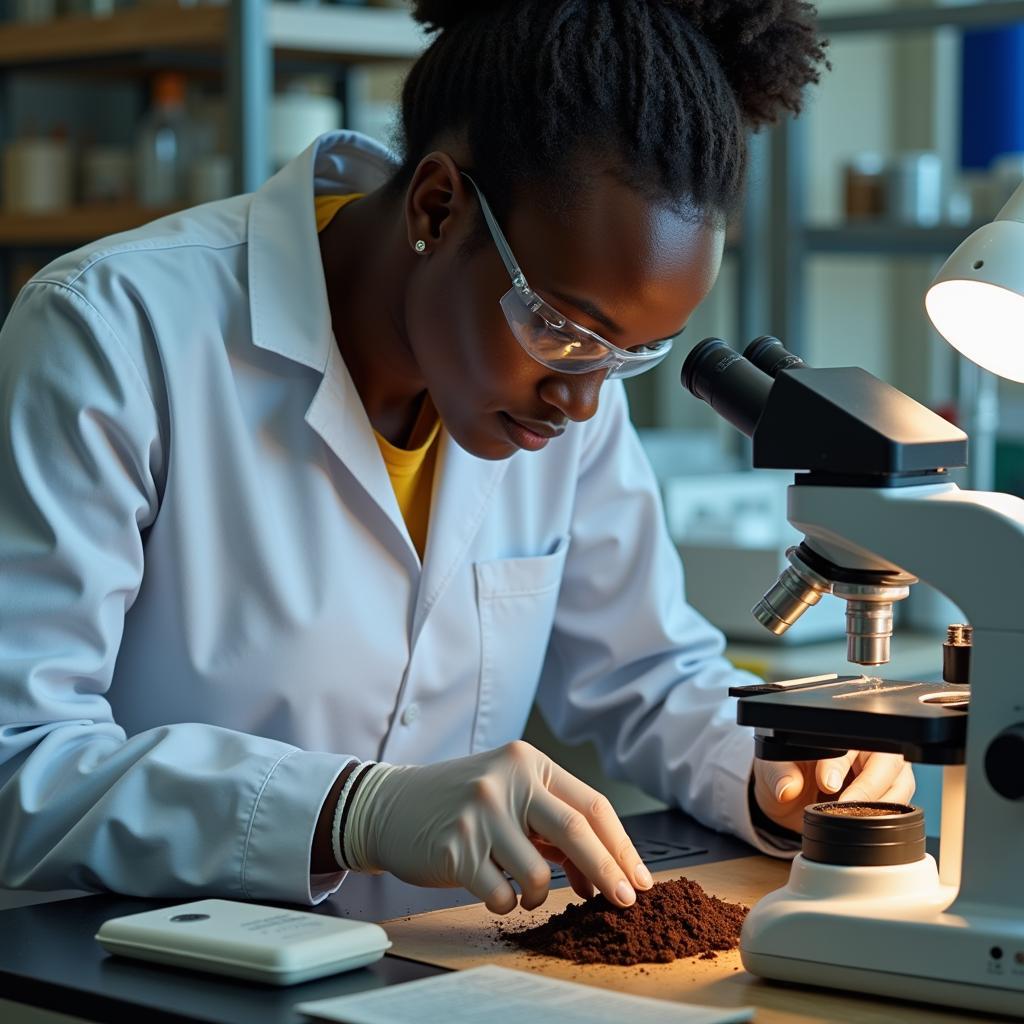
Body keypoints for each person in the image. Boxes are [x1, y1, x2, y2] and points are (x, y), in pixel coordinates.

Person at [0, 0, 914, 916]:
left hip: (441, 975)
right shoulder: (113, 331)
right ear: (437, 208)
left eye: (631, 354)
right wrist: (351, 811)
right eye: (563, 330)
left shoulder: (561, 387)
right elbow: (21, 756)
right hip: (151, 979)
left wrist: (772, 768)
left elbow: (643, 674)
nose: (586, 399)